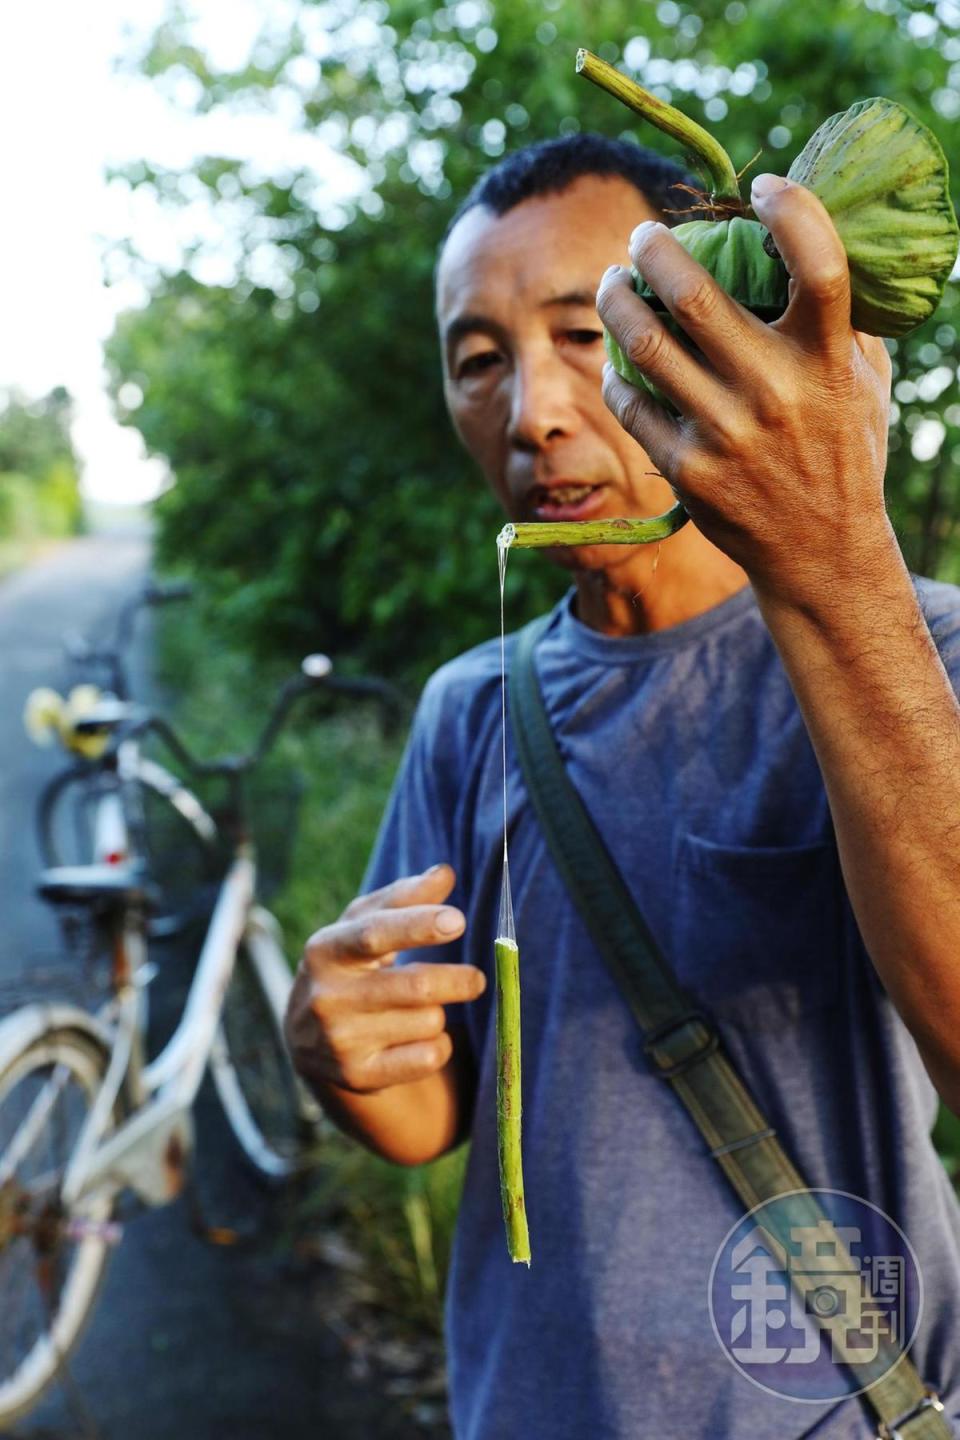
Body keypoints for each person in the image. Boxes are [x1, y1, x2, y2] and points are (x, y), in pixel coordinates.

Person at [285, 134, 960, 1437]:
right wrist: (336, 1052)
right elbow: (433, 1117)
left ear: (699, 318)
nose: (532, 409)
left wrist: (836, 557)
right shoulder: (470, 712)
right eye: (479, 359)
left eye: (583, 333)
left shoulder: (915, 648)